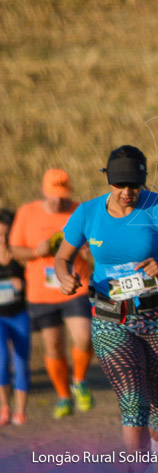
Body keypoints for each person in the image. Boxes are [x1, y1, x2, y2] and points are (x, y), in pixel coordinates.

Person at [54, 145, 158, 455]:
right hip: (112, 319)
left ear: (143, 181)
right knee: (133, 401)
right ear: (107, 179)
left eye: (134, 185)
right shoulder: (87, 213)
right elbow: (62, 257)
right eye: (120, 185)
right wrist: (64, 275)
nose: (127, 192)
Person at [9, 169, 94, 418]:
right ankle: (63, 396)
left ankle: (79, 381)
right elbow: (15, 250)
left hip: (76, 286)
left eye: (64, 195)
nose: (60, 200)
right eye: (55, 195)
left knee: (84, 337)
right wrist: (37, 251)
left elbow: (95, 247)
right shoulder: (27, 213)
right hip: (42, 292)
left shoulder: (81, 211)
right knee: (53, 345)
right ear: (45, 191)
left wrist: (88, 253)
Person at [0, 208, 30, 426]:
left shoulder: (22, 256)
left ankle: (20, 411)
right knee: (1, 362)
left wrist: (24, 285)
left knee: (21, 362)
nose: (2, 239)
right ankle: (5, 406)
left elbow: (40, 282)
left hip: (19, 314)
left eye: (6, 234)